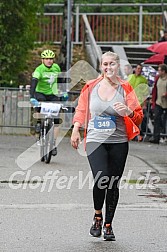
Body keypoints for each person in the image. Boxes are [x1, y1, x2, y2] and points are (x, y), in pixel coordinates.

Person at [70, 52, 143, 241]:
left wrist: (128, 112)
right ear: (101, 66)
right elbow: (81, 109)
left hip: (118, 142)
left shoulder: (125, 88)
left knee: (113, 183)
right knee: (101, 177)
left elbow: (138, 116)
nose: (108, 67)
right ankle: (97, 216)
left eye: (111, 64)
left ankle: (108, 225)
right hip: (95, 140)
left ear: (117, 66)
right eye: (105, 64)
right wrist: (76, 129)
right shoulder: (91, 86)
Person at [30, 49, 61, 156]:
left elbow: (60, 80)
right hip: (40, 93)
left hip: (53, 94)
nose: (49, 61)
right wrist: (31, 96)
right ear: (42, 60)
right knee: (39, 105)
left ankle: (53, 144)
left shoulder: (56, 68)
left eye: (51, 59)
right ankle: (39, 122)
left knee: (57, 119)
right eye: (47, 59)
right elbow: (34, 81)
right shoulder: (39, 69)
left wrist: (64, 92)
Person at [127, 64, 149, 140]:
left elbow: (145, 93)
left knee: (138, 119)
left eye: (140, 69)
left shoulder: (143, 79)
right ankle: (132, 134)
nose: (139, 70)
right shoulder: (130, 77)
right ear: (135, 69)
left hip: (139, 102)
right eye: (138, 68)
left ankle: (139, 134)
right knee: (130, 119)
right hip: (130, 102)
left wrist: (144, 104)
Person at [150, 64, 167, 144]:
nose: (158, 72)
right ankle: (156, 137)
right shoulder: (157, 78)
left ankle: (165, 135)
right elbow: (155, 89)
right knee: (156, 118)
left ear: (163, 71)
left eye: (159, 70)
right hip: (158, 101)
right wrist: (153, 100)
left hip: (166, 102)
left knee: (165, 120)